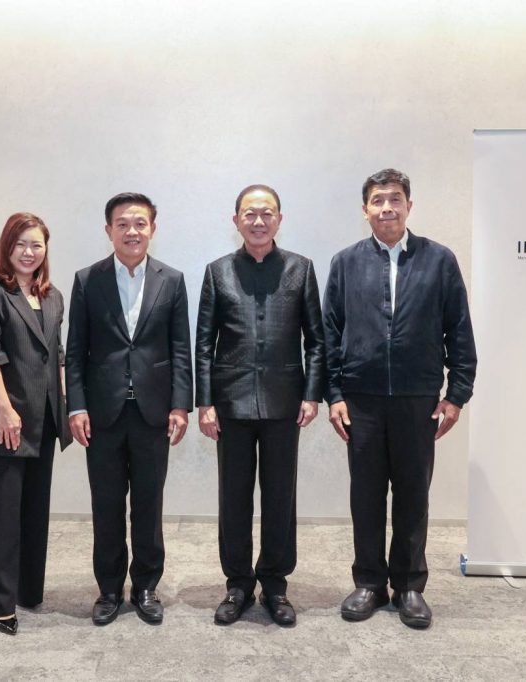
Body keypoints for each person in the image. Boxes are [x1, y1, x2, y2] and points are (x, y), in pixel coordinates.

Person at [323, 169, 476, 629]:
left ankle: (409, 585)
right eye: (378, 200)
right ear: (365, 209)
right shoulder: (346, 263)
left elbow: (459, 330)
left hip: (417, 399)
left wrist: (457, 394)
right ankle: (369, 582)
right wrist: (334, 393)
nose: (386, 208)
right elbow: (330, 333)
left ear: (409, 206)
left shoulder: (439, 260)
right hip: (362, 400)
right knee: (366, 495)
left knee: (413, 494)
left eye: (395, 199)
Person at [195, 184, 324, 627]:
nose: (258, 220)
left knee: (280, 496)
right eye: (249, 213)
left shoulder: (300, 270)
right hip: (230, 405)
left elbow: (317, 341)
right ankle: (237, 584)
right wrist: (205, 403)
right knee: (233, 498)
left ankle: (274, 584)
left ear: (279, 220)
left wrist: (312, 394)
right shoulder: (218, 272)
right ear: (236, 221)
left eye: (267, 213)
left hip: (285, 403)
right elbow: (203, 344)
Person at [65, 192, 193, 626]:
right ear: (109, 230)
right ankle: (108, 589)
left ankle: (145, 586)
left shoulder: (171, 280)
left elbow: (180, 348)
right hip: (102, 414)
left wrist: (181, 405)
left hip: (153, 413)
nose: (132, 231)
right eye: (122, 224)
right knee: (105, 505)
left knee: (148, 505)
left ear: (152, 229)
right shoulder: (88, 280)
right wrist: (76, 407)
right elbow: (75, 352)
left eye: (140, 223)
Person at [0, 212, 73, 636]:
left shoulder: (53, 296)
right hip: (4, 421)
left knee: (33, 512)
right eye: (21, 244)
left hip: (43, 420)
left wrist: (66, 404)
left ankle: (26, 590)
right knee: (0, 516)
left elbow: (56, 354)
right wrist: (5, 410)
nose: (29, 252)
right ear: (6, 247)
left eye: (36, 244)